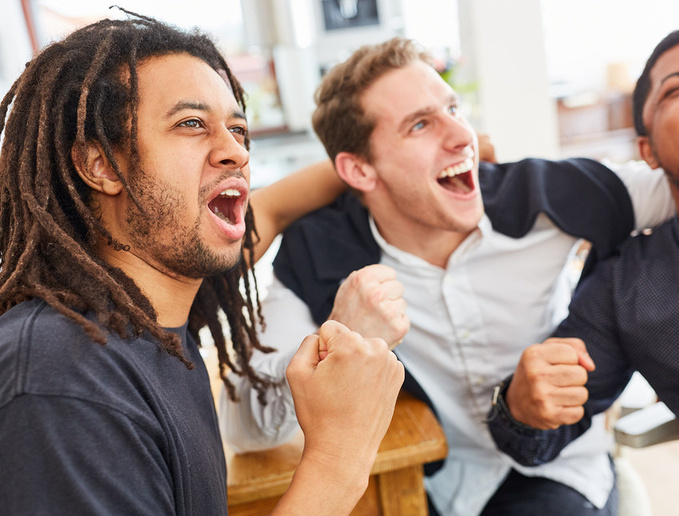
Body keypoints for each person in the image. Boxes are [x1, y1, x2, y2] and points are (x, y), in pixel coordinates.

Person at [219, 37, 679, 516]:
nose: (461, 136)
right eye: (419, 124)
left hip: (559, 469)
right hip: (437, 484)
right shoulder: (320, 250)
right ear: (356, 170)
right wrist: (338, 340)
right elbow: (245, 428)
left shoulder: (541, 195)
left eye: (453, 109)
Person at [0, 11, 404, 515]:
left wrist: (392, 161)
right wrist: (339, 458)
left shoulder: (156, 316)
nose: (235, 150)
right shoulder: (61, 380)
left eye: (238, 129)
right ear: (100, 165)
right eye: (191, 124)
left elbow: (274, 207)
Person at [486, 24, 679, 516]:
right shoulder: (625, 284)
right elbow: (535, 439)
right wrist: (522, 405)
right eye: (678, 88)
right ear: (647, 150)